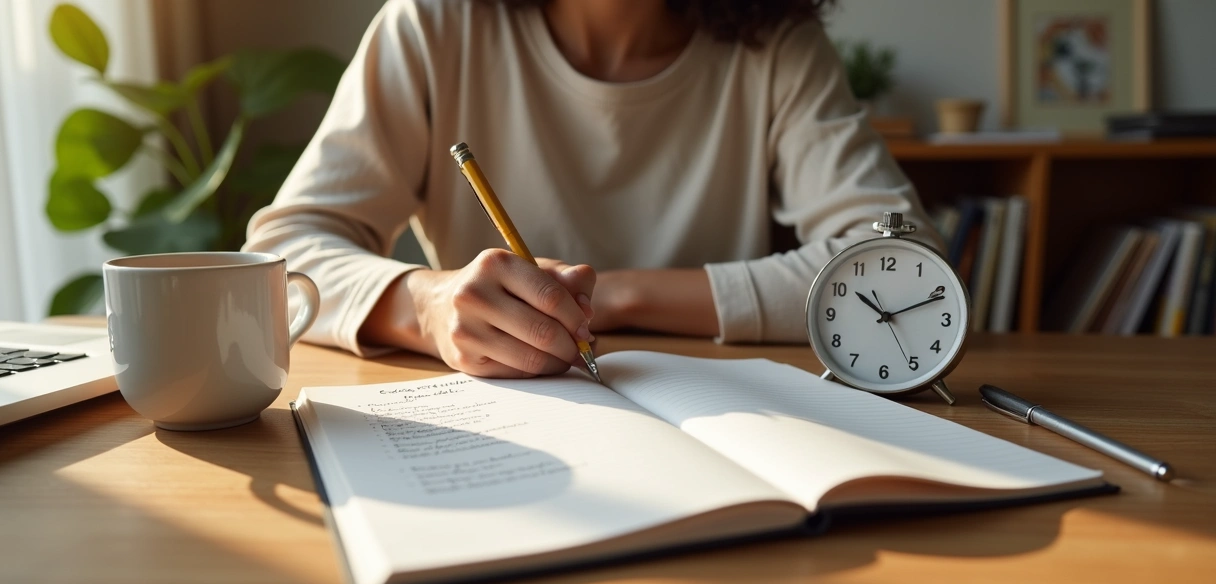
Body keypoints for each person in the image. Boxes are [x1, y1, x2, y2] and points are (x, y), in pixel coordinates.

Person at [243, 0, 933, 378]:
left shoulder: (779, 46)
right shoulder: (432, 24)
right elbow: (283, 254)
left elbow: (907, 264)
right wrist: (428, 305)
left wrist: (611, 296)